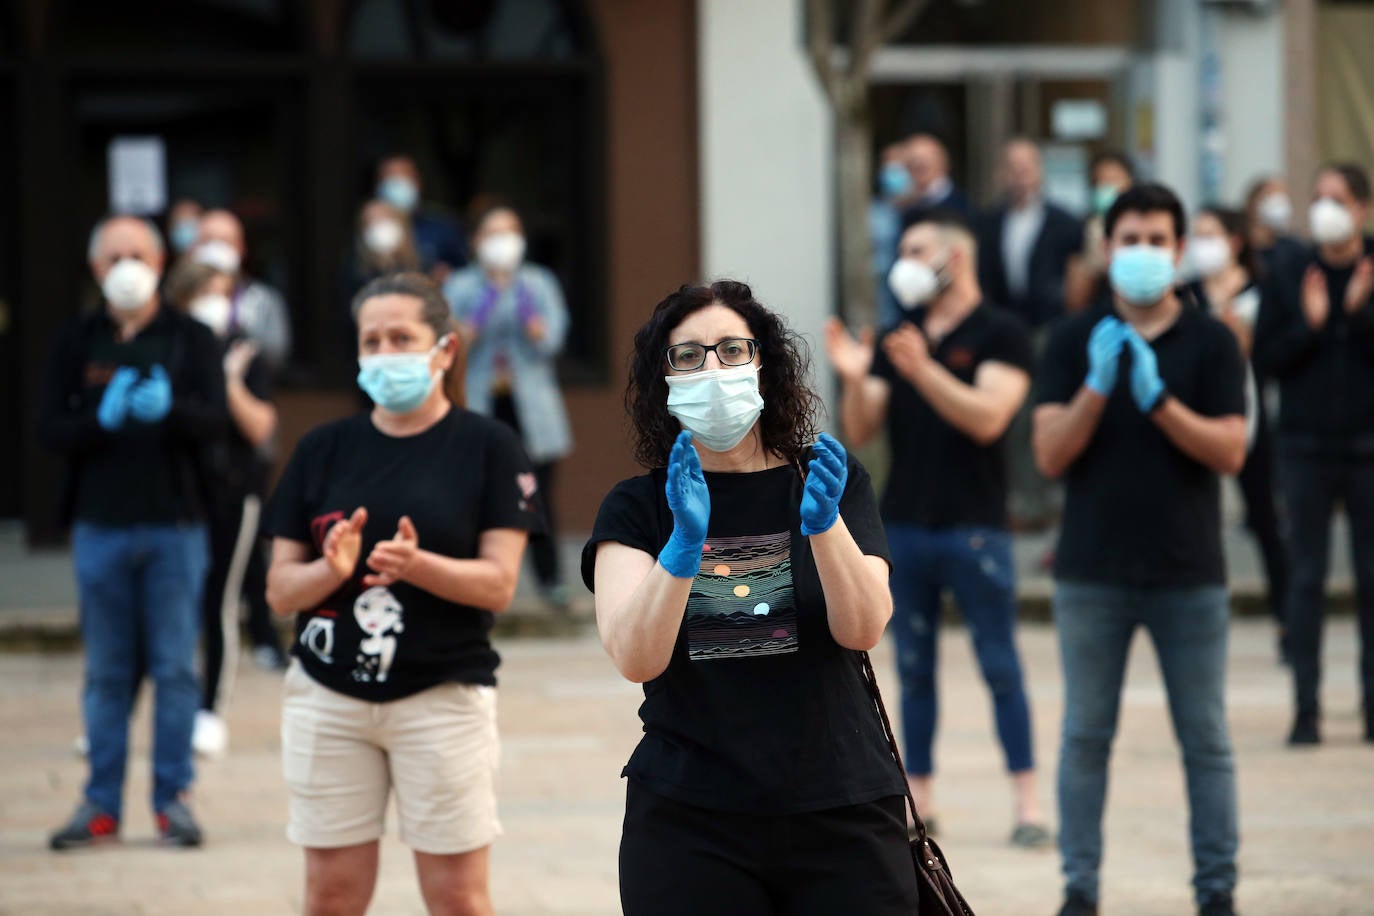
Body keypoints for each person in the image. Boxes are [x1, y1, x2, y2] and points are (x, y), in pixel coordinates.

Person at [583, 280, 919, 914]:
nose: (713, 367)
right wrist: (683, 548)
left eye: (732, 349)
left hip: (840, 808)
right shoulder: (636, 508)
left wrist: (825, 529)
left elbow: (865, 626)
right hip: (693, 820)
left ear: (764, 361)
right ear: (664, 379)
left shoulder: (827, 479)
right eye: (689, 355)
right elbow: (635, 657)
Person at [263, 272, 542, 915]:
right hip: (327, 699)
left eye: (402, 338)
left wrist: (417, 565)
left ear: (443, 350)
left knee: (458, 899)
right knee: (330, 893)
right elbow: (280, 591)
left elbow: (498, 584)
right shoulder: (322, 449)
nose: (386, 353)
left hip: (441, 696)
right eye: (372, 341)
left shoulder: (488, 446)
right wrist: (332, 572)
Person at [1033, 183, 1246, 916]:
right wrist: (1098, 387)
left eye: (1159, 240)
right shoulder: (1072, 339)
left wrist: (1160, 403)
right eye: (1131, 240)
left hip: (1189, 574)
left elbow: (1231, 451)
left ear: (1181, 252)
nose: (1144, 254)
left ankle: (1216, 891)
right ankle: (1080, 888)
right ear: (1107, 248)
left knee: (1206, 740)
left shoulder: (1212, 341)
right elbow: (1049, 455)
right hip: (1091, 572)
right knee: (1085, 736)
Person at [825, 214, 1049, 847]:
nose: (906, 261)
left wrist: (921, 370)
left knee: (1000, 665)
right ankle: (918, 800)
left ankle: (1027, 805)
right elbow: (861, 427)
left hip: (977, 527)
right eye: (901, 250)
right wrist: (854, 375)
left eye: (918, 249)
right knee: (913, 670)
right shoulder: (904, 333)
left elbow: (989, 418)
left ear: (956, 255)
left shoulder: (1002, 333)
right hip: (905, 525)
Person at [41, 216, 227, 849]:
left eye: (137, 254)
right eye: (114, 255)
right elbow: (48, 430)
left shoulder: (192, 338)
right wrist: (102, 419)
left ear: (159, 262)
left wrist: (168, 411)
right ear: (97, 268)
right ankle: (100, 803)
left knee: (176, 667)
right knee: (107, 673)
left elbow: (215, 421)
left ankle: (171, 799)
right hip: (101, 527)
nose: (126, 264)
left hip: (176, 526)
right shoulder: (75, 341)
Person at [1254, 162, 1374, 746]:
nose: (1325, 208)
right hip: (1304, 447)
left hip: (1367, 450)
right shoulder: (1290, 270)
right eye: (1319, 197)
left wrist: (1358, 313)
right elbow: (1267, 358)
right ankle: (1307, 709)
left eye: (1338, 199)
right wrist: (1313, 324)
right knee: (1307, 581)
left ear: (1363, 209)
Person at [165, 260, 285, 758]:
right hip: (175, 494)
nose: (217, 303)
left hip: (234, 491)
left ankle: (210, 710)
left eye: (223, 293)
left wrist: (229, 380)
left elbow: (261, 430)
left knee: (219, 599)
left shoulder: (243, 350)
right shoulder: (168, 347)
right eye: (206, 293)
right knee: (165, 606)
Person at [445, 204, 574, 609]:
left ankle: (549, 579)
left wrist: (533, 320)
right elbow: (452, 345)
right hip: (483, 402)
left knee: (538, 496)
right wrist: (480, 310)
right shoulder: (462, 286)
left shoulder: (537, 282)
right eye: (494, 233)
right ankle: (477, 583)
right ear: (477, 242)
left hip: (530, 405)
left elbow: (553, 341)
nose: (504, 242)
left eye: (511, 232)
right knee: (480, 494)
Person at [1185, 206, 1289, 658]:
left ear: (1234, 241)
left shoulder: (1262, 292)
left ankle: (1288, 620)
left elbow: (1280, 351)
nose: (1200, 243)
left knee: (1264, 519)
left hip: (1252, 416)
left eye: (1210, 234)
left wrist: (1245, 346)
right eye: (1196, 235)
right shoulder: (1185, 294)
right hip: (1196, 419)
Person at [977, 138, 1084, 530]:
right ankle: (1020, 500)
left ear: (1039, 170)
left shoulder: (1064, 221)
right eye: (1012, 166)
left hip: (1048, 329)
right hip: (1007, 330)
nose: (1020, 174)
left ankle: (1047, 499)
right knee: (1012, 418)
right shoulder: (990, 222)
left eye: (1027, 166)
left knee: (1048, 409)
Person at [191, 209, 293, 370]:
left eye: (225, 242)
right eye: (208, 241)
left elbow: (276, 356)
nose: (216, 249)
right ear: (194, 247)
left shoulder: (264, 300)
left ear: (241, 248)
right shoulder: (176, 298)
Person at [376, 155, 468, 283]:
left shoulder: (442, 227)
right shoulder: (371, 229)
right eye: (391, 178)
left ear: (418, 182)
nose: (398, 183)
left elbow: (464, 271)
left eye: (404, 176)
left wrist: (450, 277)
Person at [1064, 150, 1136, 313]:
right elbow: (1074, 302)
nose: (1107, 188)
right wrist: (1091, 264)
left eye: (1113, 180)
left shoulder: (1142, 228)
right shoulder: (1082, 229)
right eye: (1100, 182)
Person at [871, 141, 916, 330]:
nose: (892, 171)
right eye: (888, 164)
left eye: (899, 166)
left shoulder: (923, 212)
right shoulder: (874, 213)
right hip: (880, 310)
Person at [1244, 174, 1305, 278]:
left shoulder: (1295, 250)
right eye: (1271, 195)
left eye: (1283, 196)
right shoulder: (1242, 248)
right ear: (1254, 202)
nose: (1279, 202)